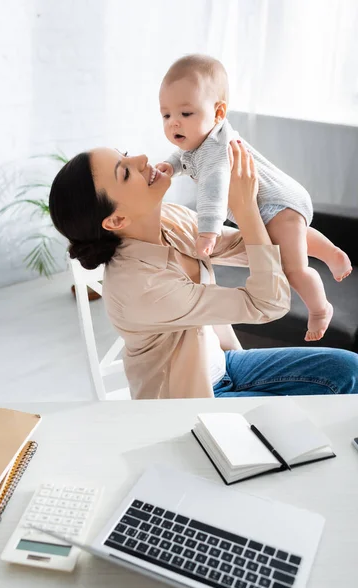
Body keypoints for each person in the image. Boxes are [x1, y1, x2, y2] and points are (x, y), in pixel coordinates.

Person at [49, 140, 358, 400]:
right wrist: (245, 207)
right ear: (116, 221)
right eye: (126, 172)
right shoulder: (141, 287)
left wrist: (302, 233)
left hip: (227, 365)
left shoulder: (170, 219)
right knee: (306, 423)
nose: (142, 159)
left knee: (348, 371)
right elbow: (268, 304)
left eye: (126, 155)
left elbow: (250, 247)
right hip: (192, 403)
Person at [156, 54, 352, 342]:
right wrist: (170, 167)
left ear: (219, 112)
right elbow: (184, 156)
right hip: (280, 204)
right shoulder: (203, 140)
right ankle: (332, 253)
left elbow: (213, 190)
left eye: (185, 114)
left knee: (292, 268)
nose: (174, 124)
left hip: (276, 204)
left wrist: (208, 231)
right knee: (289, 237)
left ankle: (320, 309)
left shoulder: (214, 151)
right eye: (166, 115)